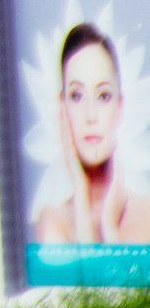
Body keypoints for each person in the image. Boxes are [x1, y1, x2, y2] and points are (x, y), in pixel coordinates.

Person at [35, 24, 150, 244]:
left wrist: (109, 225)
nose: (91, 115)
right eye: (77, 96)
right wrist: (81, 197)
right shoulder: (53, 220)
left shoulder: (147, 215)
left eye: (103, 96)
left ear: (119, 107)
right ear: (63, 107)